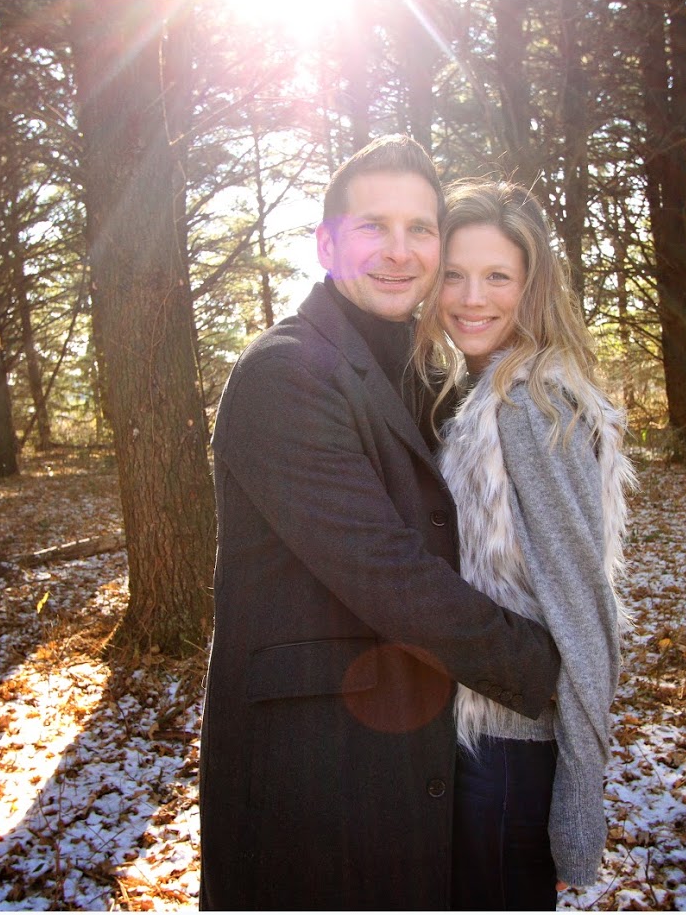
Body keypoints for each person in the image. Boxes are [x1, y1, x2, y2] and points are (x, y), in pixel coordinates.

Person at [199, 136, 562, 910]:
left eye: (420, 229)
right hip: (315, 775)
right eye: (372, 227)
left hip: (402, 754)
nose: (400, 253)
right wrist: (541, 663)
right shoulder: (283, 372)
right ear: (327, 242)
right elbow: (383, 566)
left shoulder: (423, 369)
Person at [412, 179, 633, 909]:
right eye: (454, 273)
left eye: (497, 276)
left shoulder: (528, 405)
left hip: (505, 759)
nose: (471, 297)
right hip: (471, 746)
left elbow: (583, 609)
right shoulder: (477, 393)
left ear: (532, 287)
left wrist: (578, 809)